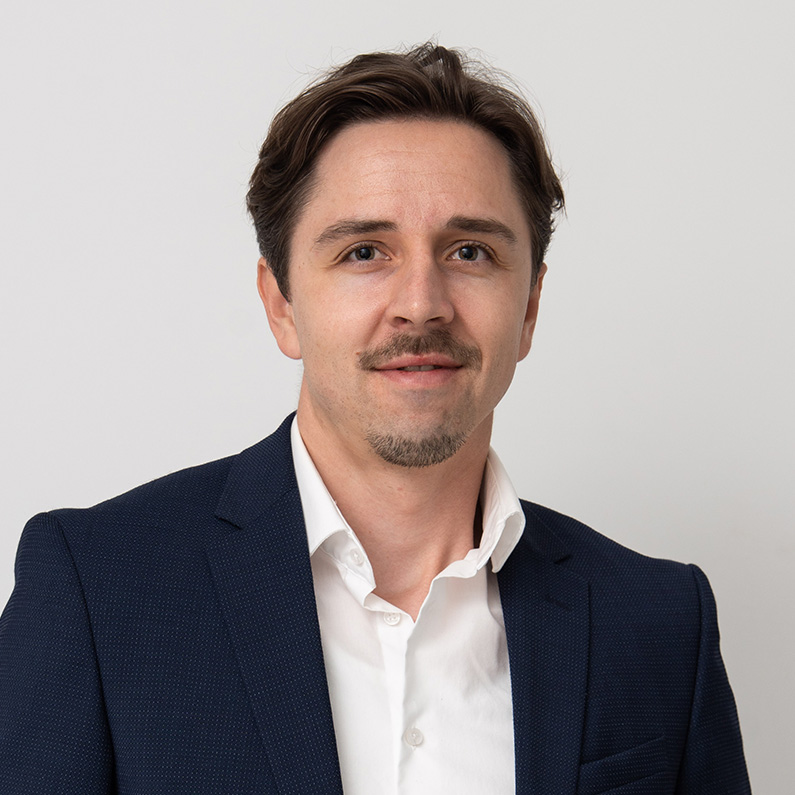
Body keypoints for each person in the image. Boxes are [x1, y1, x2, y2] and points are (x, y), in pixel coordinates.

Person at [0, 44, 750, 794]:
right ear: (281, 304)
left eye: (469, 251)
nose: (421, 304)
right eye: (364, 251)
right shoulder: (97, 590)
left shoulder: (658, 624)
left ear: (528, 308)